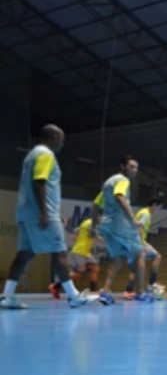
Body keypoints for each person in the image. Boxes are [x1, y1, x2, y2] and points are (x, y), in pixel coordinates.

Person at [1, 125, 96, 309]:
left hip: (25, 212)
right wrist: (45, 212)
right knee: (60, 252)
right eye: (61, 140)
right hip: (40, 212)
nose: (62, 144)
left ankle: (6, 295)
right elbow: (39, 182)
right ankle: (73, 297)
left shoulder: (31, 155)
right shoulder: (45, 155)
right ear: (52, 137)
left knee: (25, 253)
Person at [94, 155, 154, 305]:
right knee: (140, 254)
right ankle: (140, 293)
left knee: (118, 258)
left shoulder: (108, 183)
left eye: (136, 168)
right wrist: (132, 219)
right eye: (131, 167)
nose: (134, 170)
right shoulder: (123, 180)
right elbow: (119, 196)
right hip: (121, 223)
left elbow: (95, 205)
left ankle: (105, 291)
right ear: (122, 167)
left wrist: (94, 226)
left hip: (107, 225)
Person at [49, 217, 102, 297]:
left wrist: (77, 235)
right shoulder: (91, 224)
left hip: (85, 252)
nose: (103, 219)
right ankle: (55, 286)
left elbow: (75, 232)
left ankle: (93, 290)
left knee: (95, 268)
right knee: (77, 275)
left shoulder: (86, 222)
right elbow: (96, 236)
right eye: (102, 217)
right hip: (80, 252)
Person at [123, 198, 163, 300]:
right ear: (154, 205)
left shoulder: (143, 212)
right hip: (137, 242)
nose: (159, 210)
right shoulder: (145, 214)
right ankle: (151, 285)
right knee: (157, 257)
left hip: (132, 241)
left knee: (136, 267)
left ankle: (128, 291)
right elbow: (139, 228)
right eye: (159, 208)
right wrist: (141, 245)